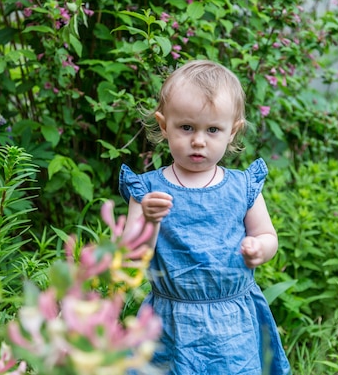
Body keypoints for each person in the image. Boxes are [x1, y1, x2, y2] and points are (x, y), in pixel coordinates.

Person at [119, 59, 291, 375]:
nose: (199, 140)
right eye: (187, 127)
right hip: (171, 320)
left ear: (232, 131)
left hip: (233, 323)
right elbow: (132, 258)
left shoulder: (243, 187)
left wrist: (259, 249)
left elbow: (267, 236)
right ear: (163, 125)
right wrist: (149, 221)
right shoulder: (147, 192)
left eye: (212, 130)